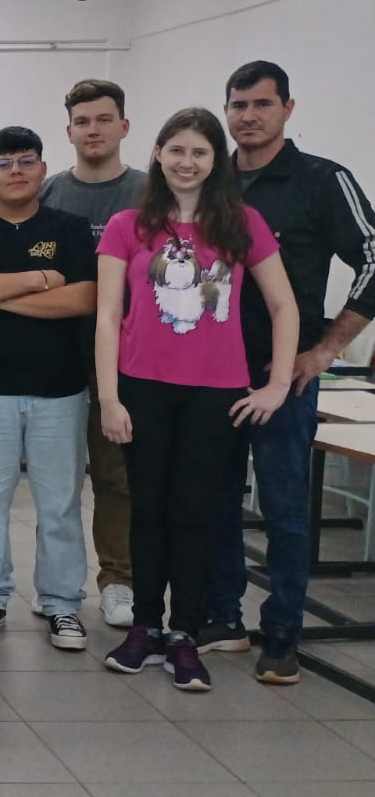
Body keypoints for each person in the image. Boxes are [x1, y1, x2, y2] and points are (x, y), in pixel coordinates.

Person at [96, 107, 297, 692]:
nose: (187, 162)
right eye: (177, 150)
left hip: (216, 394)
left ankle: (184, 633)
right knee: (148, 510)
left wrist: (277, 384)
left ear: (216, 161)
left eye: (200, 152)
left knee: (194, 513)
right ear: (159, 153)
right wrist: (109, 397)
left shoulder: (243, 223)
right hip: (143, 388)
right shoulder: (127, 225)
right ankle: (144, 628)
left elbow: (283, 306)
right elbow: (107, 316)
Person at [202, 60, 375, 684]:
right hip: (211, 372)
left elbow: (374, 259)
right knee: (215, 502)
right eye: (238, 105)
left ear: (288, 109)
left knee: (283, 509)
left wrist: (325, 350)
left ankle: (282, 635)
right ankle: (223, 618)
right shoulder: (211, 180)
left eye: (262, 104)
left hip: (287, 375)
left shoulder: (321, 180)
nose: (248, 116)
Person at [0, 126, 96, 651]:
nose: (16, 171)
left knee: (60, 504)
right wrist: (39, 278)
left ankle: (62, 603)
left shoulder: (69, 228)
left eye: (26, 161)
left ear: (43, 169)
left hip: (59, 391)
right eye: (4, 163)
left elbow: (83, 299)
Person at [38, 79, 148, 629]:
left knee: (115, 476)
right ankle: (57, 585)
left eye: (104, 119)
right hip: (57, 357)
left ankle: (118, 580)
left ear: (123, 126)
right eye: (83, 122)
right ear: (69, 132)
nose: (93, 130)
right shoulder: (51, 192)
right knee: (55, 480)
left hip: (126, 361)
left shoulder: (149, 194)